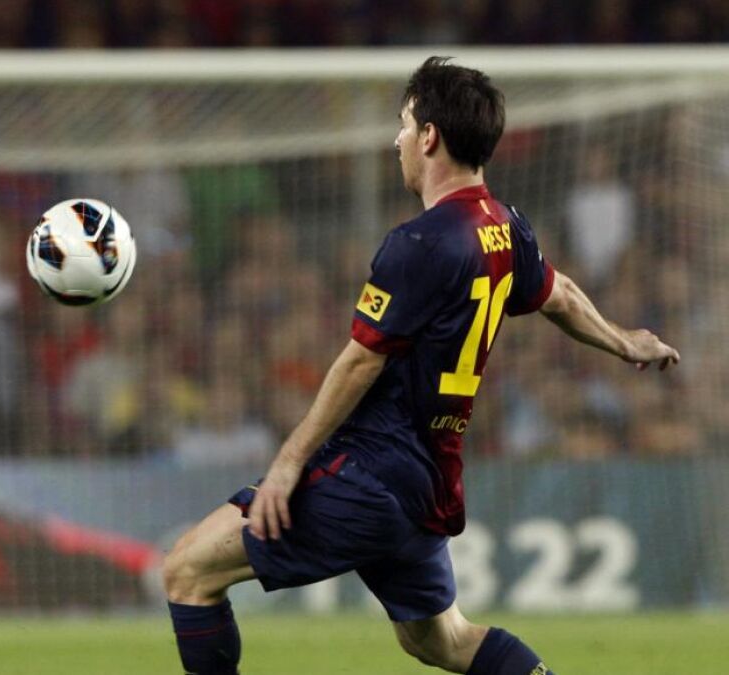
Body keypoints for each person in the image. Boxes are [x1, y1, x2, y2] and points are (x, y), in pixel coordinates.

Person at [161, 56, 680, 675]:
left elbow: (360, 362)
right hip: (427, 481)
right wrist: (624, 342)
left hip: (369, 475)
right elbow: (559, 294)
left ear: (430, 136)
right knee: (441, 641)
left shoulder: (420, 242)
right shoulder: (506, 226)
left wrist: (289, 462)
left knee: (187, 571)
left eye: (405, 125)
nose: (398, 140)